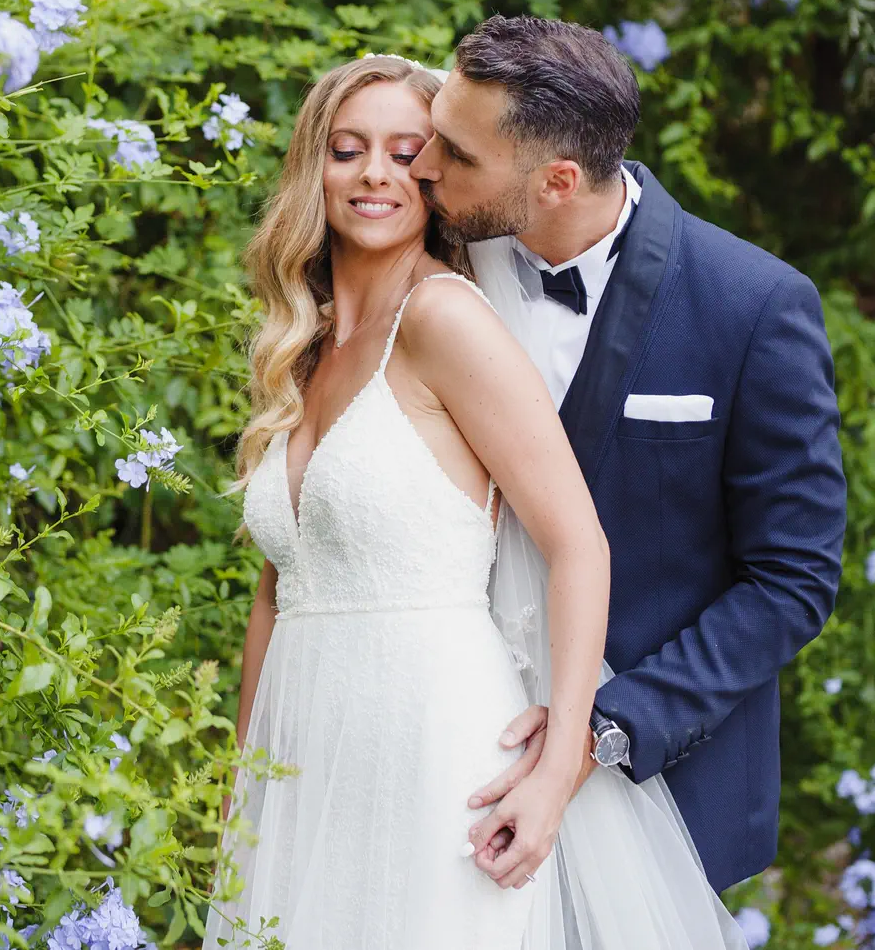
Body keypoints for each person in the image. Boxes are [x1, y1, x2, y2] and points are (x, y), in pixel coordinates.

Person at [201, 55, 746, 949]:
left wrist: (559, 764)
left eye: (405, 152)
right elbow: (277, 587)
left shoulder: (444, 319)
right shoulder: (304, 344)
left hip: (431, 738)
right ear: (314, 167)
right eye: (347, 149)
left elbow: (579, 544)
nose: (376, 174)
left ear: (434, 177)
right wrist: (241, 778)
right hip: (301, 748)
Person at [410, 16, 847, 898]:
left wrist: (600, 734)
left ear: (558, 181)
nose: (423, 165)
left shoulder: (754, 306)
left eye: (456, 153)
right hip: (445, 751)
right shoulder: (427, 268)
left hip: (655, 787)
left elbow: (791, 580)